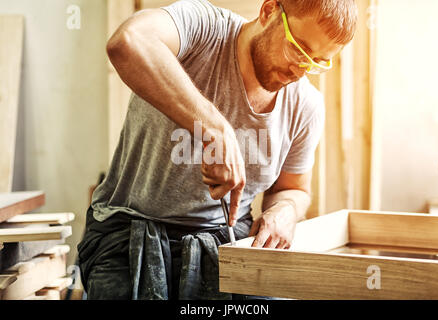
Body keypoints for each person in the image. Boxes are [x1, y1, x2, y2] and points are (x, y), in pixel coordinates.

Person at [77, 0, 357, 300]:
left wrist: (284, 211)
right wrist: (213, 128)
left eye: (316, 61)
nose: (300, 70)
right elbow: (127, 42)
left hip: (226, 238)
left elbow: (294, 189)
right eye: (298, 49)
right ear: (270, 10)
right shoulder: (204, 28)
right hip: (130, 229)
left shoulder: (305, 105)